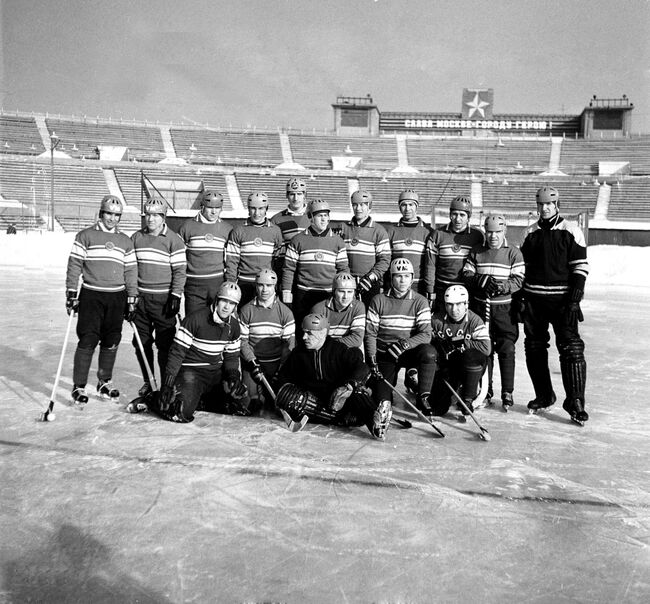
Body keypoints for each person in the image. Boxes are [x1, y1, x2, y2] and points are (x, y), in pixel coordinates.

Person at [519, 186, 589, 424]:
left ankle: (575, 401)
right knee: (535, 347)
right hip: (534, 302)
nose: (545, 208)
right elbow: (521, 270)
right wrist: (520, 300)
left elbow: (580, 268)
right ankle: (544, 394)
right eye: (541, 204)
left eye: (549, 204)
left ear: (557, 204)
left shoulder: (571, 230)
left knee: (571, 349)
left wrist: (574, 299)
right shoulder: (529, 233)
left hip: (562, 303)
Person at [65, 195, 138, 405]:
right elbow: (74, 265)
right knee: (88, 339)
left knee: (111, 339)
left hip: (117, 296)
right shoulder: (85, 236)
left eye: (117, 215)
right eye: (109, 213)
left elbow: (131, 271)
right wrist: (71, 293)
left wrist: (132, 297)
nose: (112, 218)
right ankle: (79, 386)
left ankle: (104, 382)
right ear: (101, 213)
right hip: (92, 294)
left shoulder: (125, 241)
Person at [276, 313, 392, 440]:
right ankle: (345, 419)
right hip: (314, 402)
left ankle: (376, 423)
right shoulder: (298, 354)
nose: (304, 337)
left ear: (323, 332)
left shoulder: (337, 349)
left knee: (357, 392)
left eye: (309, 333)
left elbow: (362, 367)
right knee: (294, 398)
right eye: (304, 332)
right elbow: (284, 377)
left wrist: (350, 384)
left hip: (338, 396)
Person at [150, 282, 249, 423]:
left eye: (232, 303)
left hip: (215, 374)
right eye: (224, 301)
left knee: (241, 404)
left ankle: (200, 401)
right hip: (192, 373)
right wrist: (167, 384)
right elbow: (177, 353)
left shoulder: (233, 326)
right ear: (217, 299)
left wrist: (233, 376)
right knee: (180, 412)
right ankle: (152, 398)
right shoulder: (195, 319)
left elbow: (231, 356)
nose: (227, 307)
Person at [462, 214, 525, 410]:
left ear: (504, 231)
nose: (493, 236)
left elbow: (518, 280)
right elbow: (467, 273)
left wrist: (501, 286)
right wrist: (479, 281)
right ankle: (485, 389)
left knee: (506, 348)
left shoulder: (513, 253)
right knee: (484, 348)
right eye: (489, 232)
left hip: (504, 309)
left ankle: (507, 391)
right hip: (481, 308)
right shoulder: (477, 251)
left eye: (497, 232)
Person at [365, 258, 436, 414]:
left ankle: (423, 396)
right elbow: (370, 332)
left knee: (429, 353)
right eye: (398, 275)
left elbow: (426, 334)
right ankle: (386, 392)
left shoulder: (420, 301)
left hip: (407, 351)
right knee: (381, 399)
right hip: (386, 353)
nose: (403, 280)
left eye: (406, 275)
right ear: (391, 278)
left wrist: (404, 344)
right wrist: (371, 358)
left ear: (412, 278)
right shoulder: (378, 300)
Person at [131, 196, 187, 395]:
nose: (151, 219)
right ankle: (149, 380)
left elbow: (180, 271)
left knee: (165, 343)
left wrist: (175, 296)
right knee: (141, 342)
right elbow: (129, 268)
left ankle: (166, 384)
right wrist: (129, 296)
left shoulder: (173, 240)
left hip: (163, 300)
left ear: (163, 217)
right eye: (148, 215)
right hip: (141, 299)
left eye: (156, 215)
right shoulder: (136, 238)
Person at [281, 198, 349, 324]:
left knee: (324, 331)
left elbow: (343, 270)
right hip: (303, 294)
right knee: (302, 331)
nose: (323, 219)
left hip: (328, 294)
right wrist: (286, 294)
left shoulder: (338, 241)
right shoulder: (297, 240)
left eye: (326, 215)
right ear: (310, 217)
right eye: (319, 216)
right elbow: (288, 269)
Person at [429, 285, 492, 417]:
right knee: (438, 407)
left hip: (468, 367)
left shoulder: (474, 320)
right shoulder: (436, 320)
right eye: (450, 305)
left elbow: (486, 348)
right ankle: (446, 396)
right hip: (448, 367)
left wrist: (462, 342)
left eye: (459, 304)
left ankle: (468, 398)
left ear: (466, 304)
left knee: (471, 356)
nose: (454, 309)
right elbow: (424, 339)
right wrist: (436, 343)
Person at [239, 269, 295, 409]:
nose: (264, 290)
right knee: (250, 404)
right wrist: (252, 363)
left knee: (279, 404)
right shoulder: (246, 311)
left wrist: (280, 369)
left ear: (275, 286)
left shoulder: (285, 313)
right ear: (256, 286)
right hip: (254, 366)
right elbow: (243, 341)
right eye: (261, 285)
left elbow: (289, 345)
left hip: (275, 366)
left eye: (269, 285)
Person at [177, 189, 233, 316]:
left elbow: (231, 260)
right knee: (194, 320)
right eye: (210, 207)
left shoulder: (227, 229)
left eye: (218, 208)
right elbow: (178, 258)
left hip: (217, 283)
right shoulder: (187, 227)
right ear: (202, 206)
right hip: (193, 285)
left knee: (215, 321)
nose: (214, 211)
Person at [424, 195, 484, 312]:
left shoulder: (477, 236)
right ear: (449, 214)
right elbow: (430, 265)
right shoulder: (438, 234)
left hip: (467, 288)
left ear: (469, 217)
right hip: (443, 288)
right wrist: (430, 290)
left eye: (462, 215)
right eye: (454, 214)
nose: (457, 219)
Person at [224, 191, 283, 306]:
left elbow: (278, 262)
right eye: (253, 209)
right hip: (245, 283)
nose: (257, 213)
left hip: (267, 284)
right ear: (248, 208)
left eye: (261, 208)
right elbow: (232, 262)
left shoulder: (275, 231)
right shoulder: (238, 231)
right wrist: (231, 283)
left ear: (266, 208)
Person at [339, 189, 391, 307]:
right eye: (355, 205)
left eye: (362, 205)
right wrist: (345, 276)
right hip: (346, 282)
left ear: (369, 206)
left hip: (369, 283)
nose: (358, 208)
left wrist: (370, 278)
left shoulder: (379, 231)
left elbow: (384, 261)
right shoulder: (343, 228)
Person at [384, 189, 431, 294]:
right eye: (404, 205)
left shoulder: (428, 232)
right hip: (396, 284)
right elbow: (386, 260)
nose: (407, 209)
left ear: (417, 206)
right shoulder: (391, 231)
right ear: (399, 207)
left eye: (411, 205)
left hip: (419, 285)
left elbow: (430, 264)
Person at [310, 271, 365, 349]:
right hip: (325, 350)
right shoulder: (319, 309)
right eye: (341, 291)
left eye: (350, 292)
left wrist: (332, 344)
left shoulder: (358, 307)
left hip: (345, 348)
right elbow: (316, 339)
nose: (346, 296)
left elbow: (357, 339)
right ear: (334, 292)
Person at [270, 177, 311, 256]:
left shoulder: (314, 217)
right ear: (287, 195)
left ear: (305, 195)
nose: (295, 198)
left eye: (299, 194)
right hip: (284, 265)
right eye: (292, 194)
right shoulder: (276, 220)